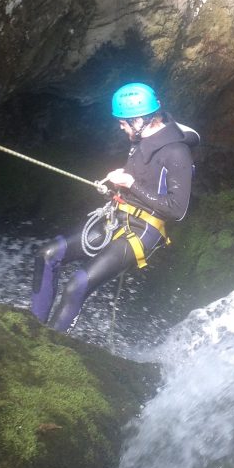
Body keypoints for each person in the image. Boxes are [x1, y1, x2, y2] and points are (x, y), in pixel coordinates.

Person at [30, 82, 200, 333]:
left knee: (77, 285)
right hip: (117, 216)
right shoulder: (142, 138)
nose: (120, 127)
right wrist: (125, 182)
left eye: (124, 122)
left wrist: (131, 183)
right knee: (47, 255)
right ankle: (31, 328)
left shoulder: (176, 153)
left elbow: (177, 210)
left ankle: (50, 345)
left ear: (142, 119)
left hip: (143, 230)